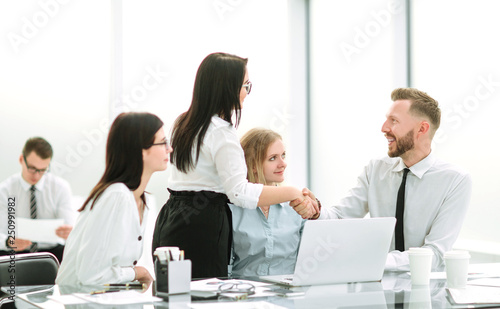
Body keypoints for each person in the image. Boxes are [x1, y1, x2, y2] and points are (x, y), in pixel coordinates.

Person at [152, 52, 317, 279]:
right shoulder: (221, 131)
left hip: (172, 217)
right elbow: (239, 192)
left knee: (173, 292)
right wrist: (291, 193)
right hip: (203, 225)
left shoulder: (184, 123)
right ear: (227, 88)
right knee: (205, 298)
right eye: (245, 85)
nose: (246, 93)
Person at [297, 88, 472, 272]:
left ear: (422, 128)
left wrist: (374, 260)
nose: (384, 128)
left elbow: (435, 253)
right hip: (378, 287)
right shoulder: (376, 170)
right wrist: (315, 211)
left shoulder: (455, 180)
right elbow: (341, 217)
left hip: (426, 290)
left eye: (394, 121)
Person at [56, 112, 171, 285]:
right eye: (163, 142)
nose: (169, 148)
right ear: (140, 150)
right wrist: (137, 273)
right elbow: (91, 275)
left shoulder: (141, 200)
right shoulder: (117, 197)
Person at [229, 128, 306, 277]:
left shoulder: (295, 206)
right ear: (252, 165)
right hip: (245, 295)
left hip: (287, 295)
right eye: (273, 158)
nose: (283, 164)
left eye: (283, 156)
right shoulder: (232, 210)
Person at [0, 137, 74, 263]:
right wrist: (8, 241)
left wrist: (70, 232)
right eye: (32, 168)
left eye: (42, 170)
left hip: (52, 251)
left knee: (70, 253)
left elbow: (69, 228)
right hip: (16, 251)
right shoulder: (5, 190)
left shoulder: (60, 188)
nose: (36, 175)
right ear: (21, 159)